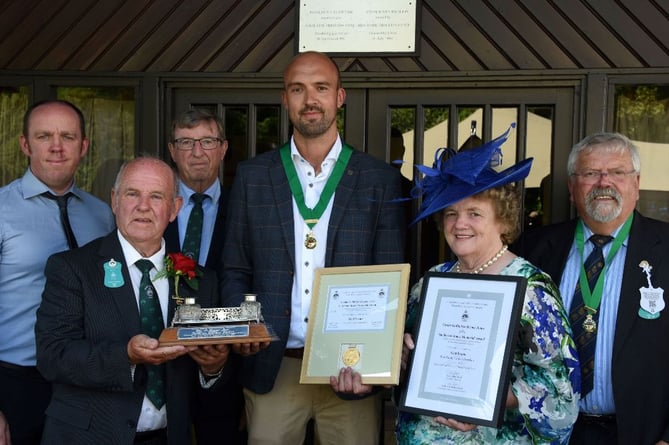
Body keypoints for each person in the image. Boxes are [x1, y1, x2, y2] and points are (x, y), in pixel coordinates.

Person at [221, 51, 406, 445]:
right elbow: (235, 267)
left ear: (340, 97)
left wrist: (373, 364)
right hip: (274, 364)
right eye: (297, 89)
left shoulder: (379, 179)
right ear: (285, 99)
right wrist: (247, 323)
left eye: (321, 88)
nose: (310, 99)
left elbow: (388, 279)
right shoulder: (253, 176)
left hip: (351, 368)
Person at [397, 125, 579, 444]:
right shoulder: (430, 282)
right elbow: (410, 356)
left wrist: (480, 400)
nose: (460, 223)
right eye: (451, 213)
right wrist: (400, 351)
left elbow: (557, 390)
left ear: (502, 219)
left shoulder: (532, 289)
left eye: (475, 213)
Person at [35, 157, 231, 445]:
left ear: (174, 209)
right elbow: (52, 357)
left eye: (156, 196)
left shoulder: (201, 281)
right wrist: (125, 356)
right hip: (89, 437)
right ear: (114, 201)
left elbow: (207, 385)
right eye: (132, 194)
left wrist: (212, 369)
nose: (143, 206)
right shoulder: (72, 269)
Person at [513, 132, 669, 445]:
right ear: (572, 188)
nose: (603, 182)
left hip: (642, 435)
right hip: (548, 432)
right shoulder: (534, 249)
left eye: (617, 172)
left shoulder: (666, 248)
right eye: (590, 173)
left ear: (636, 184)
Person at [0, 99, 115, 445]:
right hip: (16, 382)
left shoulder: (103, 215)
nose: (55, 146)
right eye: (43, 136)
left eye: (67, 136)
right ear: (24, 144)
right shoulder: (1, 211)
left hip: (87, 382)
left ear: (83, 147)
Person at [164, 109, 245, 444]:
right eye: (186, 142)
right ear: (172, 150)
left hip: (226, 370)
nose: (197, 152)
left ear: (223, 148)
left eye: (207, 141)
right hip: (161, 365)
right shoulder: (152, 206)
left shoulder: (246, 205)